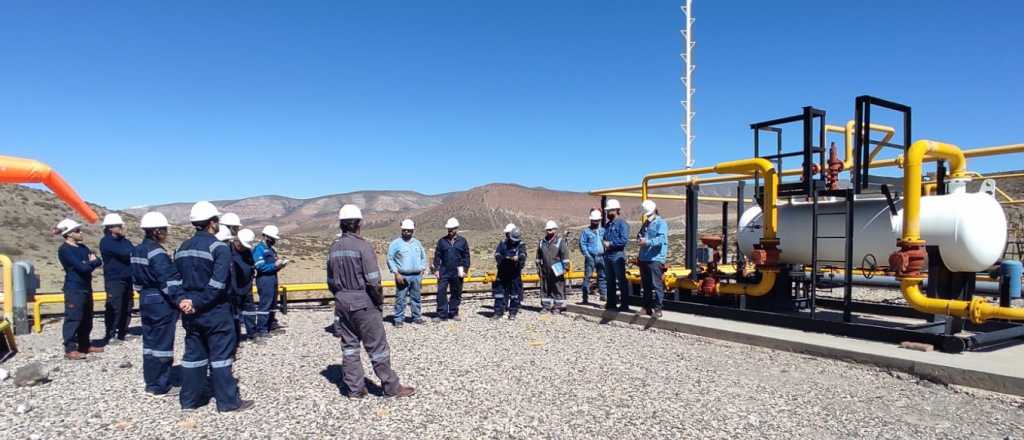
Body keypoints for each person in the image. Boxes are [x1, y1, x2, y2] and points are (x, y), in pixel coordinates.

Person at [328, 204, 415, 399]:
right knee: (377, 348)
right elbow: (374, 281)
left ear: (341, 224)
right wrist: (378, 302)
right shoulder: (363, 246)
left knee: (349, 347)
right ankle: (391, 387)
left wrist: (341, 296)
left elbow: (331, 281)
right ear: (359, 224)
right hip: (363, 302)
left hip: (341, 302)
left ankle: (355, 389)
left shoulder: (334, 247)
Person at [174, 201, 253, 412]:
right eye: (217, 220)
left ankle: (189, 400)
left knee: (193, 356)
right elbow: (217, 285)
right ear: (212, 222)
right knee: (221, 358)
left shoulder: (181, 248)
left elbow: (175, 280)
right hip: (215, 312)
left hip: (190, 313)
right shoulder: (219, 248)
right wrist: (198, 302)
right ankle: (228, 402)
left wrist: (183, 301)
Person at [130, 211, 183, 397]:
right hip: (160, 301)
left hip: (145, 298)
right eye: (164, 230)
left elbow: (135, 280)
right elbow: (168, 282)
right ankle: (161, 385)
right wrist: (179, 300)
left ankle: (151, 381)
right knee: (162, 344)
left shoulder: (136, 250)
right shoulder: (157, 253)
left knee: (150, 342)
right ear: (157, 231)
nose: (166, 233)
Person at [55, 218, 104, 360]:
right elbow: (82, 268)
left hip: (86, 287)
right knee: (73, 318)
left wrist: (90, 263)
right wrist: (91, 263)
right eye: (77, 230)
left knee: (87, 318)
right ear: (69, 234)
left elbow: (98, 261)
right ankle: (70, 348)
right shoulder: (65, 250)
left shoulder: (83, 247)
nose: (81, 232)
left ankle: (84, 345)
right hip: (74, 288)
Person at [100, 213, 135, 345]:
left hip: (127, 278)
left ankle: (123, 332)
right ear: (110, 228)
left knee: (127, 305)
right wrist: (130, 251)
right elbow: (127, 252)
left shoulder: (124, 241)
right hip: (114, 279)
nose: (121, 228)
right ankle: (110, 334)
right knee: (115, 307)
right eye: (119, 226)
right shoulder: (107, 242)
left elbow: (132, 251)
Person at [387, 219, 427, 327]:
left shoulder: (417, 243)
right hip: (402, 276)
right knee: (401, 298)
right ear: (401, 230)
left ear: (413, 231)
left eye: (409, 230)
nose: (407, 232)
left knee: (416, 297)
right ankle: (398, 318)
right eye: (405, 230)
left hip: (416, 276)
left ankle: (417, 317)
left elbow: (423, 257)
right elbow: (390, 259)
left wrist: (422, 269)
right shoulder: (395, 243)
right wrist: (396, 273)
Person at [431, 218, 469, 321]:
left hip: (457, 271)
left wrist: (465, 270)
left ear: (456, 228)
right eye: (449, 229)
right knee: (441, 292)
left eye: (452, 229)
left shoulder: (462, 241)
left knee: (456, 292)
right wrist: (436, 269)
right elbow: (437, 256)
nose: (450, 231)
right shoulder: (442, 241)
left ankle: (453, 313)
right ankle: (442, 314)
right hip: (444, 271)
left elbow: (466, 257)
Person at [253, 225, 288, 336]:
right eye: (273, 238)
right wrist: (274, 265)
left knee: (273, 303)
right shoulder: (259, 249)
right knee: (265, 304)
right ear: (266, 236)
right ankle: (262, 329)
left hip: (273, 278)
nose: (274, 241)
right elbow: (260, 267)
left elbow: (273, 265)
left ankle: (271, 324)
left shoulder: (271, 250)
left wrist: (280, 265)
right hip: (264, 280)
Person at [638, 200, 668, 318]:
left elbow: (661, 239)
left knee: (656, 284)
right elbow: (640, 235)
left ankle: (658, 309)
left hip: (655, 258)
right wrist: (640, 239)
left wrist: (647, 242)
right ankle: (647, 308)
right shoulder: (646, 223)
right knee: (646, 285)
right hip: (644, 258)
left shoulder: (661, 223)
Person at [603, 199, 632, 312]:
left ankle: (624, 304)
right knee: (609, 280)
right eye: (607, 211)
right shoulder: (608, 225)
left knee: (621, 280)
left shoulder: (622, 224)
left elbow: (624, 240)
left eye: (610, 210)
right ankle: (611, 303)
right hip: (608, 255)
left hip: (617, 255)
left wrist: (611, 243)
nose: (608, 212)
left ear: (616, 210)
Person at [536, 220, 570, 314]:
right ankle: (545, 306)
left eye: (551, 229)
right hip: (545, 270)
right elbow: (538, 257)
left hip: (557, 269)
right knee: (545, 288)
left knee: (557, 288)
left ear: (555, 230)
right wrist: (538, 268)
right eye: (548, 230)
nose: (549, 231)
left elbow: (565, 256)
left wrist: (565, 267)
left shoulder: (560, 242)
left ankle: (557, 307)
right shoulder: (542, 242)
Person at [492, 228, 526, 320]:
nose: (513, 241)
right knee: (499, 293)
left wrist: (519, 258)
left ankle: (513, 312)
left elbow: (523, 254)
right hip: (502, 271)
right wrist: (503, 260)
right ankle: (498, 312)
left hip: (515, 273)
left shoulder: (521, 244)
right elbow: (497, 254)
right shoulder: (503, 243)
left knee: (515, 293)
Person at [232, 229, 259, 342]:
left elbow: (251, 265)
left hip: (247, 287)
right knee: (234, 314)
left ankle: (252, 333)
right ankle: (235, 336)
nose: (243, 248)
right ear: (237, 241)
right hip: (234, 289)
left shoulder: (247, 252)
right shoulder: (228, 251)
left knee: (250, 311)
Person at [579, 209, 606, 305]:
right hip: (591, 257)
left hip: (601, 257)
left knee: (602, 276)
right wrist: (588, 255)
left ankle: (604, 295)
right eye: (594, 220)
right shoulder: (586, 232)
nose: (595, 222)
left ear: (599, 220)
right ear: (591, 220)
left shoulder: (603, 231)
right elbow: (582, 244)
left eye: (597, 220)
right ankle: (585, 298)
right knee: (587, 277)